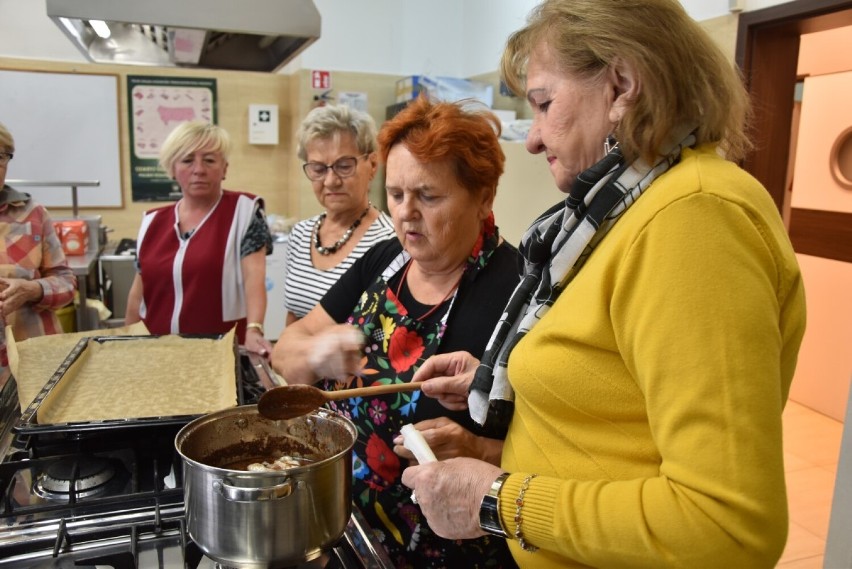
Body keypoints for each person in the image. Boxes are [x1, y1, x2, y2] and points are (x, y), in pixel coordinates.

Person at [400, 1, 808, 568]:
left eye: (543, 104)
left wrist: (494, 500)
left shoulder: (694, 219)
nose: (534, 140)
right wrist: (502, 402)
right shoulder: (619, 214)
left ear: (621, 86)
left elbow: (727, 527)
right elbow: (614, 411)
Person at [271, 97, 521, 568]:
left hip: (447, 548)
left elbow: (559, 459)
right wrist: (319, 353)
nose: (406, 213)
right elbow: (286, 350)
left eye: (428, 196)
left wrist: (476, 448)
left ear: (484, 196)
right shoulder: (384, 259)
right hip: (347, 526)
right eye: (397, 193)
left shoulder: (517, 294)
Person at [125, 121, 272, 356]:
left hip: (220, 351)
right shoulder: (152, 221)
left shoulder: (244, 212)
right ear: (172, 168)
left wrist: (254, 329)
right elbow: (138, 291)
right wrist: (125, 338)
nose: (199, 169)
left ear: (224, 168)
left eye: (210, 160)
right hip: (156, 350)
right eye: (187, 160)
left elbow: (254, 278)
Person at [284, 104, 395, 325]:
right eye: (318, 168)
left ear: (372, 164)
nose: (330, 181)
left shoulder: (389, 241)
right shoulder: (300, 233)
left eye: (344, 166)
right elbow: (294, 315)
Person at [0, 121, 77, 368]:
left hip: (35, 360)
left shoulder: (33, 215)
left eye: (0, 156)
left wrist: (32, 290)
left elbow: (66, 283)